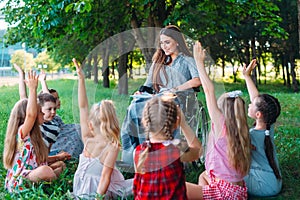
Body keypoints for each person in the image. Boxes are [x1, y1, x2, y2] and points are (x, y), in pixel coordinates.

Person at [121, 25, 201, 164]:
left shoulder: (187, 60)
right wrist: (141, 91)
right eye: (162, 43)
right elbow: (149, 84)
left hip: (179, 98)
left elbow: (197, 80)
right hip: (158, 97)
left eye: (167, 42)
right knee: (134, 106)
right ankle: (136, 150)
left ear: (177, 41)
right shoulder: (158, 61)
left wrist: (175, 88)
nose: (164, 46)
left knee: (157, 107)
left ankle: (162, 152)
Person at [185, 41, 251, 199]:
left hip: (224, 192)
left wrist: (199, 63)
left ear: (222, 112)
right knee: (203, 175)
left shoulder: (221, 125)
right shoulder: (242, 129)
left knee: (177, 185)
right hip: (238, 192)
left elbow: (208, 90)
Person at [72, 58, 133, 199]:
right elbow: (105, 177)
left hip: (79, 190)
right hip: (98, 192)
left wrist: (81, 79)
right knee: (140, 182)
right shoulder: (112, 146)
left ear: (90, 125)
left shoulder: (87, 138)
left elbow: (83, 107)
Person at [3, 70, 66, 192]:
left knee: (60, 165)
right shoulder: (22, 133)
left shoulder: (34, 136)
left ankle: (47, 181)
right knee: (46, 170)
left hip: (33, 171)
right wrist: (33, 89)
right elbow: (31, 115)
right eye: (39, 112)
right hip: (19, 180)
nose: (42, 113)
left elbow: (40, 159)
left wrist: (58, 157)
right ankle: (49, 181)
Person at [133, 96, 202, 199]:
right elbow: (198, 150)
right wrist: (184, 124)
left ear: (145, 122)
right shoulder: (177, 148)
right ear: (175, 123)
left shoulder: (139, 151)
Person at [13, 64, 71, 161]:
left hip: (42, 158)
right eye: (48, 110)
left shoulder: (54, 123)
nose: (52, 112)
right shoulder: (33, 123)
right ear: (39, 110)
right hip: (30, 161)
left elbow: (49, 100)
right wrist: (22, 75)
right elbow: (23, 97)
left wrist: (42, 81)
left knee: (60, 166)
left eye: (54, 109)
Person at [243, 59, 282, 197]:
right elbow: (257, 99)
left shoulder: (251, 135)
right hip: (275, 182)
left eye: (251, 104)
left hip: (262, 186)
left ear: (258, 114)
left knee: (227, 172)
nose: (249, 104)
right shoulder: (268, 128)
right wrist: (247, 76)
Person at [39, 71, 84, 158]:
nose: (58, 101)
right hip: (56, 148)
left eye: (57, 98)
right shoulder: (44, 120)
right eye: (54, 99)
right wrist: (43, 81)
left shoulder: (56, 118)